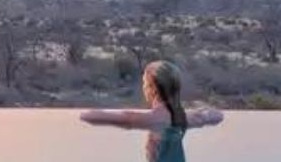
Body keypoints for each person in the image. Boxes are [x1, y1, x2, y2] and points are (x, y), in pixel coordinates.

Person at [80, 60, 224, 130]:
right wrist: (197, 113)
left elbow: (88, 116)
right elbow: (218, 115)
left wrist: (124, 117)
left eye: (145, 83)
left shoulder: (141, 120)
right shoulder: (189, 119)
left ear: (151, 89)